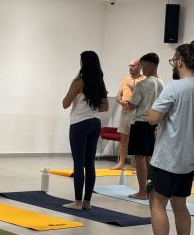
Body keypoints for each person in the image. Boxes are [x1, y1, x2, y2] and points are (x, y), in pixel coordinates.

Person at [139, 42, 194, 235]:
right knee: (180, 204)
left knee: (157, 204)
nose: (173, 65)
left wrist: (160, 122)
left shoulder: (174, 87)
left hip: (168, 157)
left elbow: (152, 118)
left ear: (180, 62)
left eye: (173, 61)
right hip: (190, 158)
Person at [61, 51, 109, 210]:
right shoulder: (100, 82)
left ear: (83, 62)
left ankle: (77, 202)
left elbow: (65, 104)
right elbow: (105, 107)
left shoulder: (78, 82)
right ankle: (87, 202)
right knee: (90, 163)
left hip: (79, 123)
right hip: (95, 123)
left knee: (78, 162)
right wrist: (90, 107)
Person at [127, 53, 164, 200]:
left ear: (147, 65)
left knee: (140, 158)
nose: (141, 69)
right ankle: (150, 190)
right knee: (150, 158)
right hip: (156, 124)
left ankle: (142, 192)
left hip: (141, 123)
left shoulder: (142, 84)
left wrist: (128, 100)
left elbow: (132, 105)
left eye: (142, 66)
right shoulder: (163, 83)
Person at [111, 59, 144, 170]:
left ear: (140, 67)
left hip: (137, 113)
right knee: (123, 139)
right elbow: (118, 95)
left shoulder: (144, 80)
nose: (130, 68)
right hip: (125, 112)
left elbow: (144, 97)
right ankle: (121, 163)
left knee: (137, 140)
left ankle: (137, 166)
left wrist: (133, 87)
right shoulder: (125, 79)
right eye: (129, 66)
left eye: (133, 66)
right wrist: (121, 102)